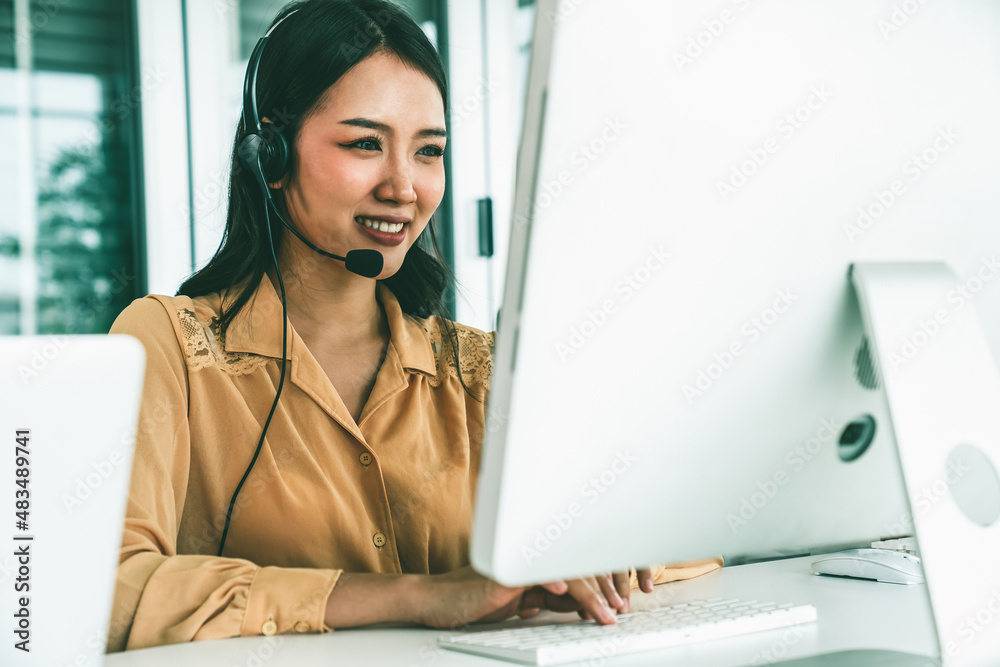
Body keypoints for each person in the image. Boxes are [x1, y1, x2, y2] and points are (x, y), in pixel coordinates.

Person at [107, 0, 721, 652]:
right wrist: (422, 595)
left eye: (429, 151)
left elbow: (693, 539)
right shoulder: (168, 346)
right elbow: (109, 588)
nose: (404, 187)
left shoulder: (484, 374)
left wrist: (608, 547)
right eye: (365, 144)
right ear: (272, 157)